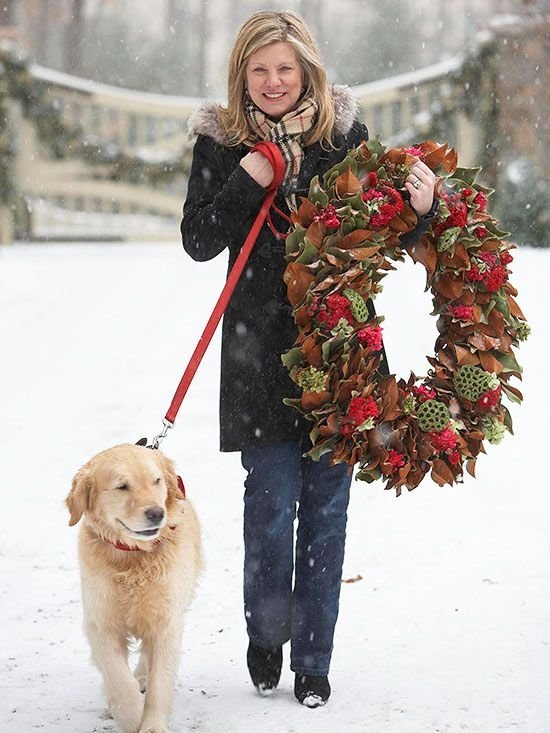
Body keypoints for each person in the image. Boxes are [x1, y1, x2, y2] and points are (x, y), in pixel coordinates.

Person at [181, 9, 436, 707]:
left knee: (326, 512)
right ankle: (266, 634)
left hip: (340, 354)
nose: (273, 82)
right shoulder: (222, 144)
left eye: (284, 69)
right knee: (269, 508)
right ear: (242, 77)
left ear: (307, 73)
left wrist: (419, 209)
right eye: (259, 70)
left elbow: (383, 228)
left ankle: (314, 662)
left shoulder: (344, 139)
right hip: (258, 354)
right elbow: (200, 239)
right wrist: (251, 176)